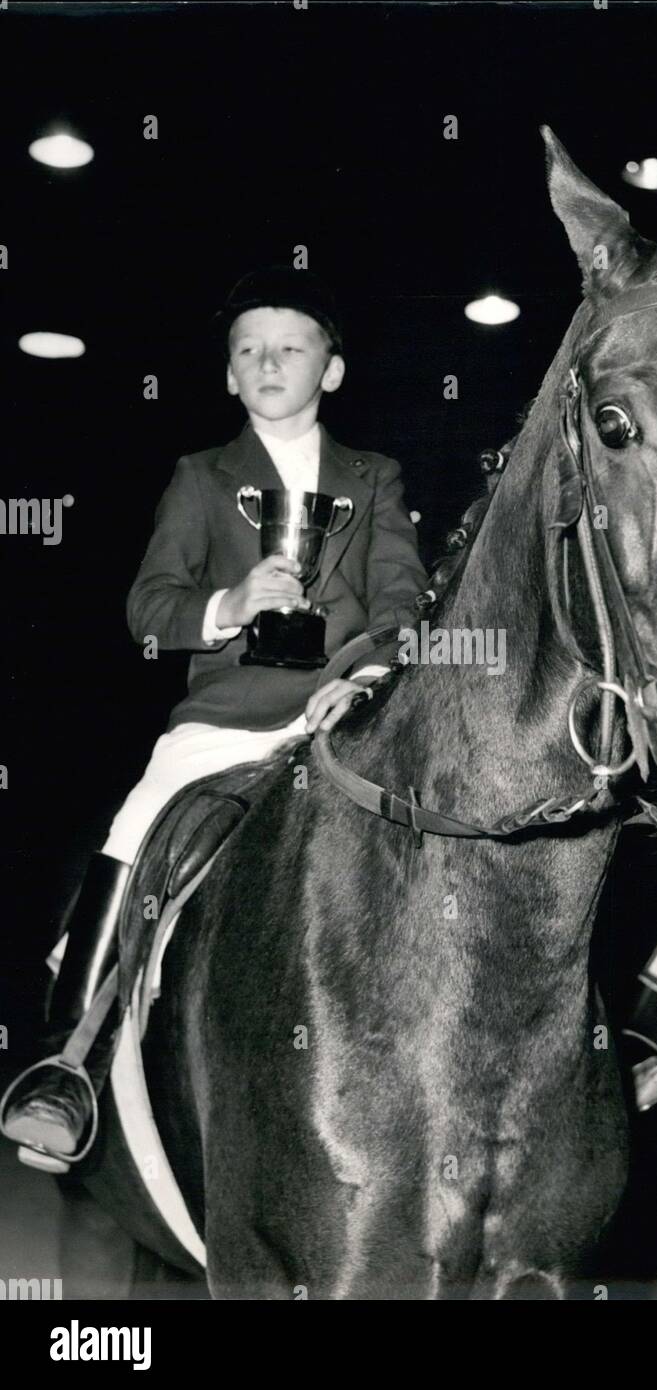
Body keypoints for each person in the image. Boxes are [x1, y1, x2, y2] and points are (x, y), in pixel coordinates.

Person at [1, 266, 427, 1168]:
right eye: (249, 351)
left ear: (332, 370)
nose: (268, 361)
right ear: (229, 376)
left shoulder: (377, 476)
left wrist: (366, 675)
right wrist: (228, 603)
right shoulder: (198, 479)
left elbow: (401, 601)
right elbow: (146, 607)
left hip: (345, 713)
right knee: (137, 816)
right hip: (226, 720)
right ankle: (67, 1058)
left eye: (291, 346)